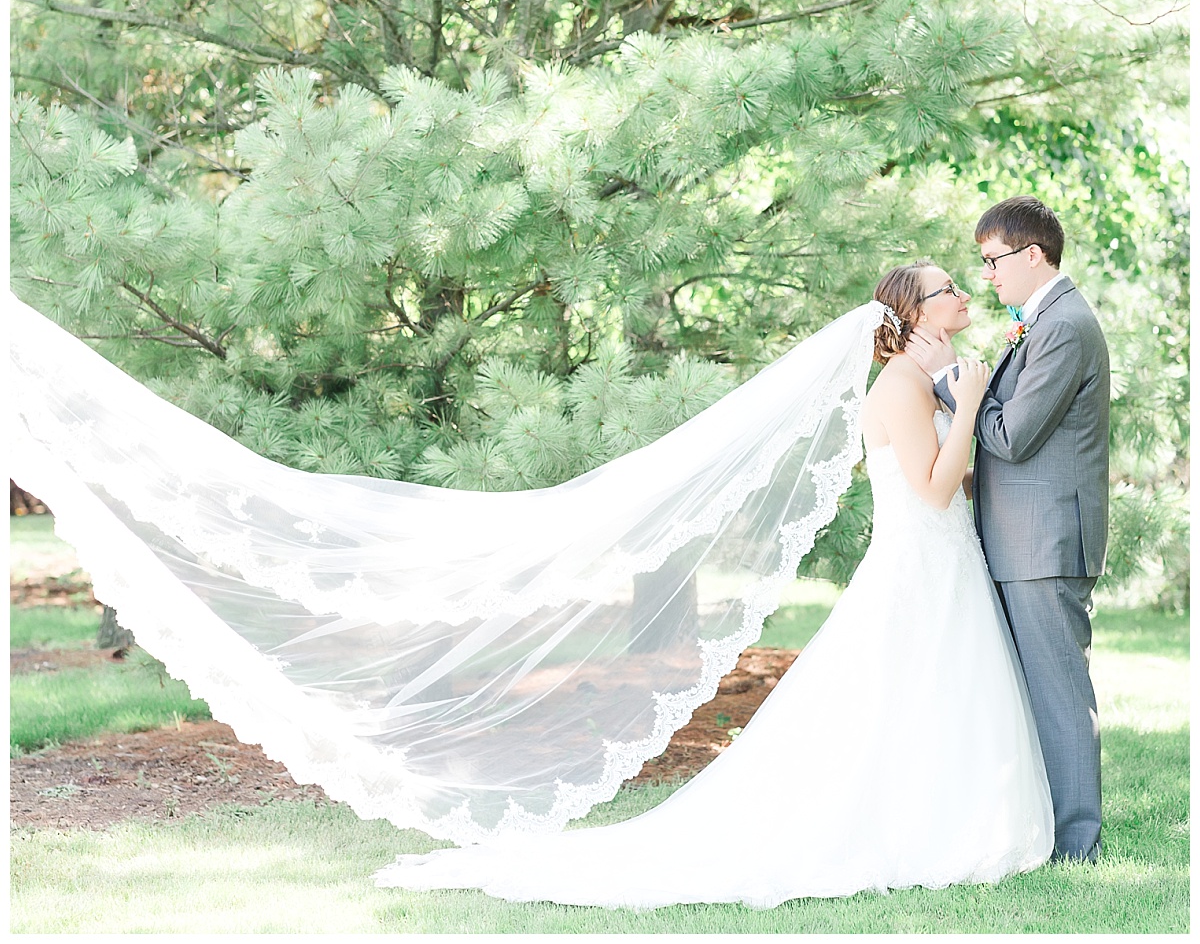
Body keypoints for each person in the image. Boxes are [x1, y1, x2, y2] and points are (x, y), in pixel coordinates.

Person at [371, 260, 1055, 907]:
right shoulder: (902, 387)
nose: (965, 293)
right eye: (947, 289)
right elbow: (935, 494)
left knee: (933, 694)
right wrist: (966, 404)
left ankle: (936, 817)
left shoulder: (922, 379)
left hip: (943, 561)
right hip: (922, 561)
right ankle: (914, 830)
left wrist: (962, 406)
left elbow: (950, 478)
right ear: (911, 313)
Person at [907, 196, 1109, 863]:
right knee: (1029, 694)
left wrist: (951, 385)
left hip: (1044, 540)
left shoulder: (1064, 325)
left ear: (1032, 255)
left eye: (993, 261)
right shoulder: (1038, 321)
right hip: (1018, 538)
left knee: (1059, 694)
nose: (987, 275)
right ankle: (1040, 828)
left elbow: (1012, 436)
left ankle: (1077, 845)